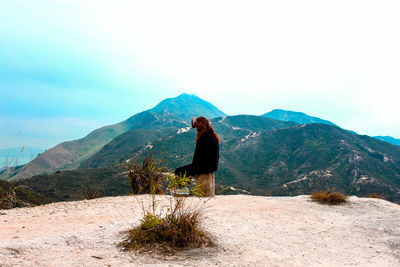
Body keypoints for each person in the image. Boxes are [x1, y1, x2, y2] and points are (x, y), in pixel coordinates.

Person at [174, 116, 220, 196]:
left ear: (201, 127)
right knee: (185, 171)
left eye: (197, 127)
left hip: (205, 165)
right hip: (211, 165)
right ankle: (185, 192)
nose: (196, 129)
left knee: (179, 171)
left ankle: (183, 193)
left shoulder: (204, 137)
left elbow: (197, 156)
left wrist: (193, 170)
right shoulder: (211, 135)